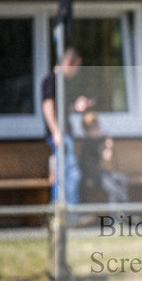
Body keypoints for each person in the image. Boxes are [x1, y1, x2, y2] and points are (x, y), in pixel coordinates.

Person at [41, 48, 91, 206]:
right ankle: (68, 215)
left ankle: (62, 215)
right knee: (70, 175)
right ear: (69, 63)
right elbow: (47, 106)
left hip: (63, 135)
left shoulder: (60, 82)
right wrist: (56, 132)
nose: (76, 72)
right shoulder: (51, 80)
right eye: (77, 67)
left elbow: (60, 109)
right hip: (60, 136)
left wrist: (76, 108)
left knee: (63, 174)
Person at [79, 111, 129, 204]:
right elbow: (107, 156)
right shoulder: (90, 143)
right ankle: (115, 216)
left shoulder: (92, 141)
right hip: (94, 175)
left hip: (99, 172)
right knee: (114, 189)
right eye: (97, 128)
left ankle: (124, 210)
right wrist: (109, 143)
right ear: (91, 130)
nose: (99, 130)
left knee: (122, 179)